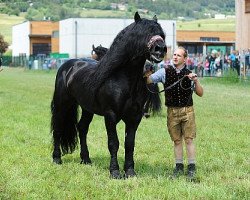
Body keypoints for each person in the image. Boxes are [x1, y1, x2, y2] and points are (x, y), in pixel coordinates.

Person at [146, 46, 203, 181]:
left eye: (179, 55)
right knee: (177, 141)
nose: (175, 57)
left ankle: (191, 168)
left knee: (188, 140)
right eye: (174, 55)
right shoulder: (164, 72)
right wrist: (146, 70)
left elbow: (200, 93)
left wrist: (196, 80)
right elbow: (149, 80)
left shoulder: (190, 74)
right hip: (172, 112)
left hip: (187, 111)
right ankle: (178, 167)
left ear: (185, 59)